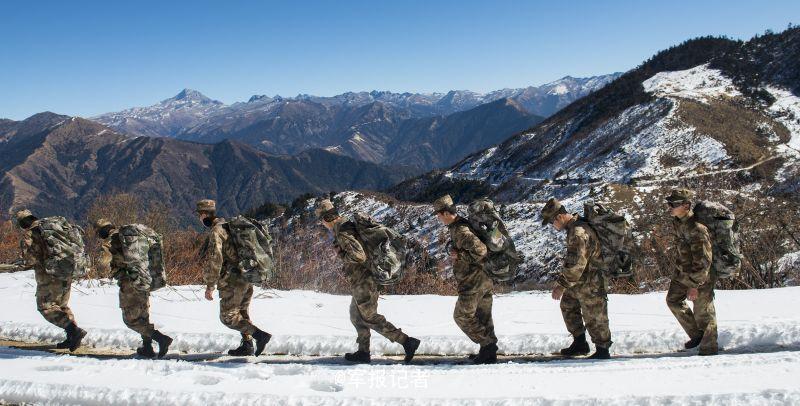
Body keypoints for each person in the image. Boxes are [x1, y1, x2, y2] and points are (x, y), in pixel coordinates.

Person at [315, 199, 420, 364]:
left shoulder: (342, 231)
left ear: (326, 219)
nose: (322, 224)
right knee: (356, 316)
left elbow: (359, 256)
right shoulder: (344, 225)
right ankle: (363, 352)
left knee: (369, 317)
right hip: (361, 280)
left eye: (321, 220)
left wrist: (341, 254)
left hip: (365, 280)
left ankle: (407, 342)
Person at [197, 199, 271, 356]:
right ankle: (247, 345)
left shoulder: (217, 231)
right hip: (247, 275)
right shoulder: (228, 226)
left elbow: (215, 259)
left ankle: (259, 336)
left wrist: (210, 285)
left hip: (232, 280)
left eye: (199, 215)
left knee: (228, 317)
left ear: (203, 215)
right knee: (242, 312)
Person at [541, 198, 612, 359]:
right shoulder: (574, 228)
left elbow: (576, 264)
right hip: (580, 281)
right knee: (568, 305)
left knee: (594, 314)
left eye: (552, 222)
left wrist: (561, 285)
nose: (553, 226)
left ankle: (602, 349)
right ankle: (580, 343)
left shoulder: (578, 232)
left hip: (591, 281)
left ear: (558, 217)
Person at [432, 195, 498, 364]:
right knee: (483, 316)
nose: (438, 218)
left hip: (473, 281)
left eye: (439, 215)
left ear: (446, 213)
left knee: (461, 316)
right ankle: (488, 353)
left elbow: (481, 251)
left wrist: (459, 255)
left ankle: (488, 345)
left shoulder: (460, 230)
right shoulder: (462, 225)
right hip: (484, 278)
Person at [95, 218, 173, 358]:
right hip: (144, 278)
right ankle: (147, 348)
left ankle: (161, 339)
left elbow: (102, 264)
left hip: (129, 282)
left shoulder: (110, 242)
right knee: (143, 315)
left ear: (101, 231)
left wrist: (106, 266)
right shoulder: (129, 237)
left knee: (131, 320)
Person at [16, 209, 87, 352]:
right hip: (66, 270)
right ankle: (71, 337)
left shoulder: (31, 234)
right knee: (61, 306)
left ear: (22, 223)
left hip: (48, 276)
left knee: (46, 307)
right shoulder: (52, 228)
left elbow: (30, 259)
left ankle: (73, 330)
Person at [664, 189, 717, 356]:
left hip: (700, 276)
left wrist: (694, 284)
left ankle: (709, 349)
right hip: (683, 273)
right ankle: (697, 336)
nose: (670, 207)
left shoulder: (697, 228)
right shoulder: (678, 223)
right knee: (673, 300)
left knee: (703, 312)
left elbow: (704, 260)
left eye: (674, 204)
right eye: (669, 204)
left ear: (686, 206)